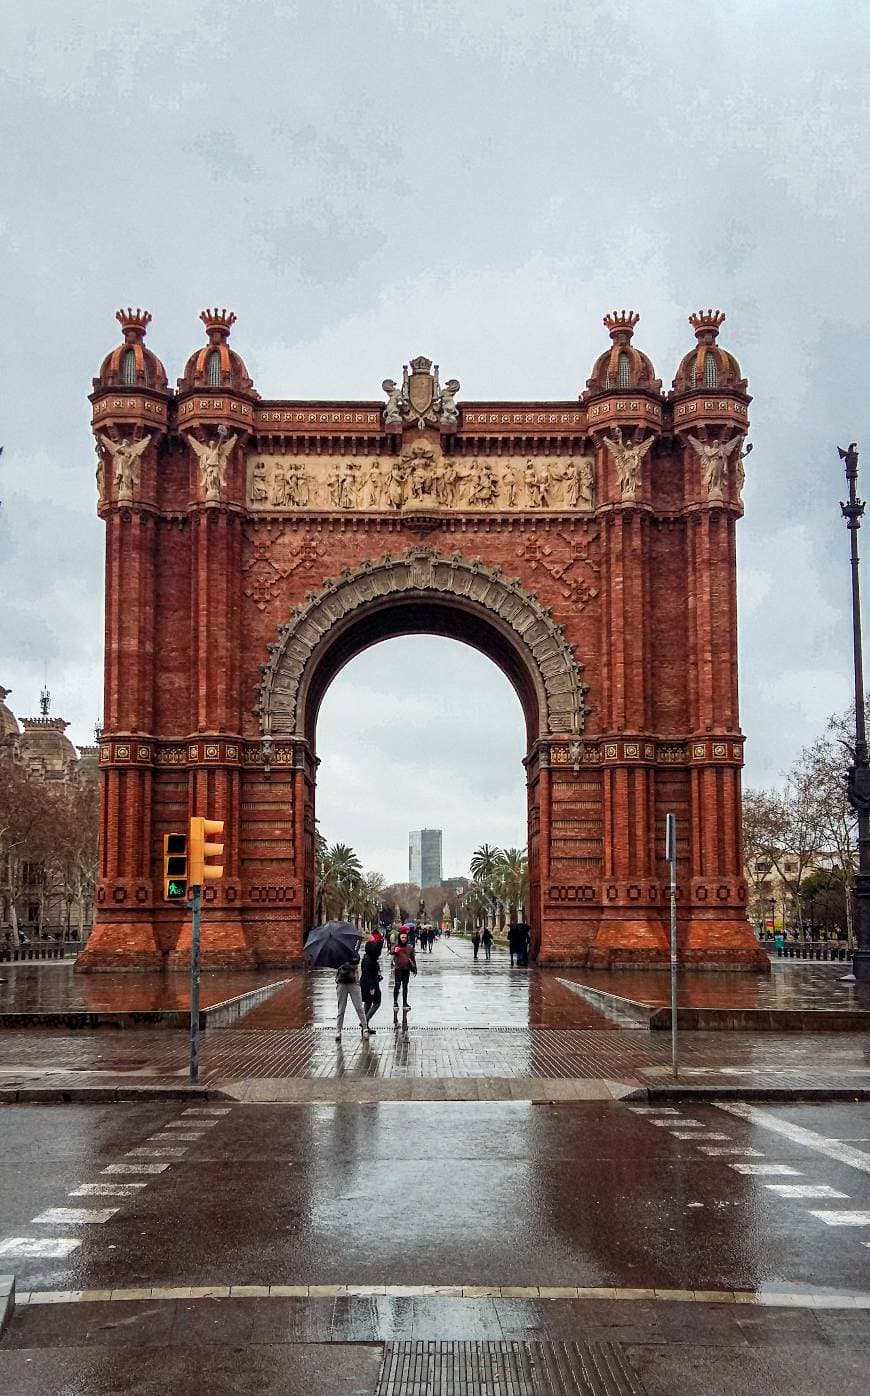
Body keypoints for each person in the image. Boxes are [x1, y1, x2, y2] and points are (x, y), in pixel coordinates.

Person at [334, 955, 370, 1041]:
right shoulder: (339, 954)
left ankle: (365, 1028)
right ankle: (338, 1030)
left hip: (353, 983)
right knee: (341, 1009)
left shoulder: (353, 953)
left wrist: (347, 964)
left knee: (359, 1007)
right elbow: (337, 966)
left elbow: (355, 963)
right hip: (341, 983)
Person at [360, 931, 383, 1031]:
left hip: (366, 983)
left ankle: (365, 1026)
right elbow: (367, 974)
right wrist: (372, 987)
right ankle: (364, 1021)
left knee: (368, 1003)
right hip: (371, 984)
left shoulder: (367, 957)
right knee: (377, 1002)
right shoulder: (370, 960)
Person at [391, 927, 417, 1013]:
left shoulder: (409, 948)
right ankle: (395, 1002)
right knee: (397, 986)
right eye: (402, 937)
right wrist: (395, 951)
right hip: (398, 969)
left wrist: (414, 969)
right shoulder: (396, 946)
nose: (404, 939)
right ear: (399, 938)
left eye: (405, 938)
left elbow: (413, 959)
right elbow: (391, 952)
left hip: (406, 970)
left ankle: (405, 1002)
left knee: (405, 986)